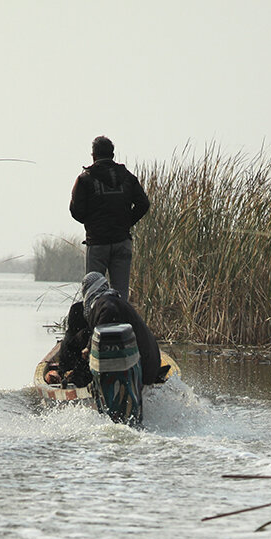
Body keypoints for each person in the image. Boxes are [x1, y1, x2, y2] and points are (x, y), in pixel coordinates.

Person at [44, 272, 165, 388]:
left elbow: (109, 312)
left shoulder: (106, 302)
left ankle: (73, 377)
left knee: (84, 336)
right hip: (149, 370)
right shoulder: (118, 303)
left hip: (139, 371)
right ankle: (65, 374)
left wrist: (89, 346)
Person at [69, 135, 149, 300]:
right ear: (112, 154)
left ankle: (96, 324)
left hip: (97, 243)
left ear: (93, 155)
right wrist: (126, 223)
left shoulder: (85, 179)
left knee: (93, 295)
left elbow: (76, 211)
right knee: (121, 296)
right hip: (122, 241)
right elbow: (143, 204)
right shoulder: (128, 177)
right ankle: (120, 323)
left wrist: (93, 223)